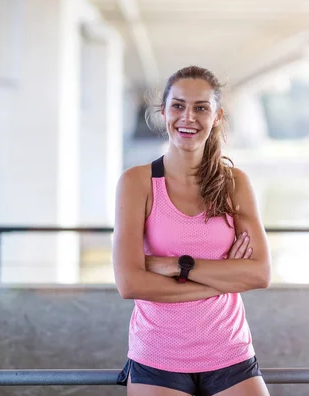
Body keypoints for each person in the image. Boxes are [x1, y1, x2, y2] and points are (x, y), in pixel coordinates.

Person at [113, 65, 272, 396]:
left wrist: (178, 266)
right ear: (163, 112)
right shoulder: (137, 182)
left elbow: (259, 274)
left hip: (230, 352)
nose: (188, 117)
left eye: (201, 107)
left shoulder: (234, 183)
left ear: (217, 116)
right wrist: (222, 281)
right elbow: (130, 283)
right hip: (158, 357)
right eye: (178, 105)